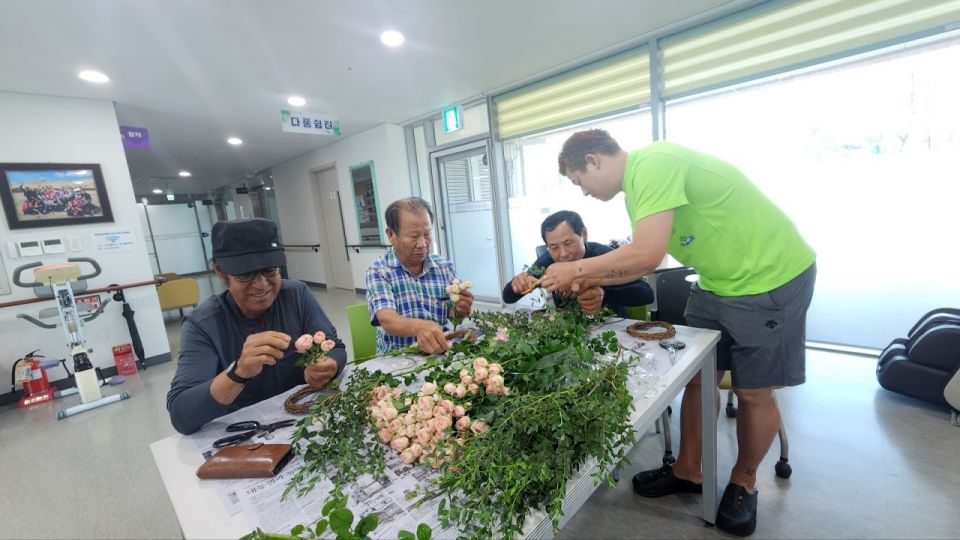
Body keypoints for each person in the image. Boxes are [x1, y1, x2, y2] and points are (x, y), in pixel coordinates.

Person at [540, 129, 816, 537]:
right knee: (697, 377)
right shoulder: (638, 191)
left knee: (753, 391)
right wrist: (594, 283)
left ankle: (743, 481)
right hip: (716, 282)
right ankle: (688, 470)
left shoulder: (653, 164)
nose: (583, 193)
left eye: (579, 181)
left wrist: (578, 269)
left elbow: (647, 254)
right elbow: (641, 264)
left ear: (594, 160)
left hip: (769, 278)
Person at [166, 218, 346, 435]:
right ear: (220, 273)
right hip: (249, 434)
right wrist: (238, 372)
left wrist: (330, 366)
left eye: (270, 270)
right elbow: (181, 414)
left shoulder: (296, 295)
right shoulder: (203, 324)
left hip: (308, 420)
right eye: (244, 274)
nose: (261, 284)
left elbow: (335, 347)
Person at [366, 197, 474, 355]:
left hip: (440, 352)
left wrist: (460, 310)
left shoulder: (444, 267)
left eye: (427, 234)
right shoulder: (379, 271)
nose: (423, 244)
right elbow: (388, 320)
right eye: (413, 236)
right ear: (391, 234)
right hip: (398, 359)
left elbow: (453, 316)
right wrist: (421, 327)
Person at [503, 210, 653, 316]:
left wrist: (604, 293)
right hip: (569, 332)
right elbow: (508, 297)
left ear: (584, 234)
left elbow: (646, 293)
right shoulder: (548, 261)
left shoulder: (602, 254)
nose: (563, 254)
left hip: (612, 326)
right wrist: (516, 285)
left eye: (568, 243)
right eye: (554, 247)